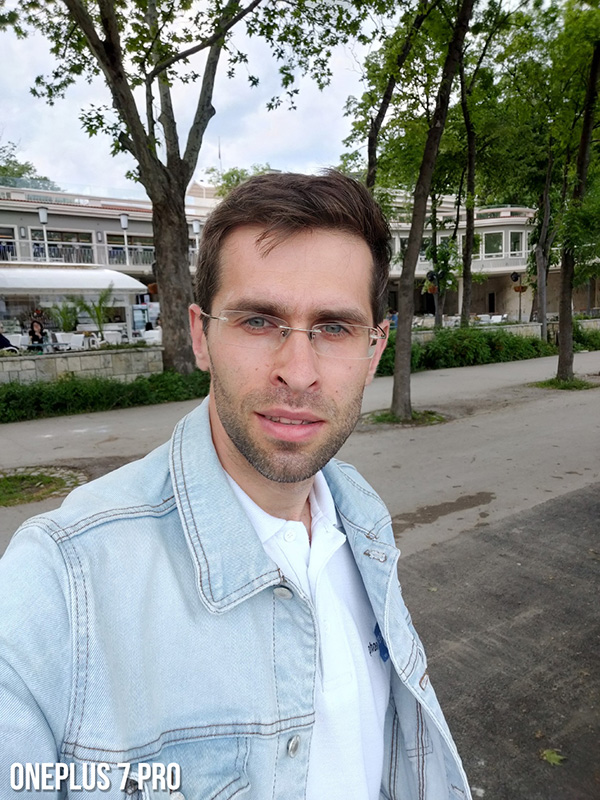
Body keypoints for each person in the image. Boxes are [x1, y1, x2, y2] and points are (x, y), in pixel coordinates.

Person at [0, 172, 471, 799]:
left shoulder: (361, 516)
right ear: (201, 336)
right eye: (258, 321)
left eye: (334, 328)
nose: (298, 373)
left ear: (374, 349)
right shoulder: (62, 579)